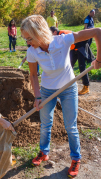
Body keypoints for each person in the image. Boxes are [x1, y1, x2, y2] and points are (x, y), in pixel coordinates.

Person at [20, 15, 101, 178]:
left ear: (39, 33)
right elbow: (34, 75)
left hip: (68, 88)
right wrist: (37, 96)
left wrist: (99, 59)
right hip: (47, 90)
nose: (27, 42)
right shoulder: (32, 51)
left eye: (29, 38)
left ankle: (76, 159)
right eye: (25, 39)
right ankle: (44, 152)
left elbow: (97, 32)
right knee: (45, 124)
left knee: (70, 126)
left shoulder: (63, 41)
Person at [50, 26, 95, 95]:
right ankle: (67, 84)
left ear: (55, 32)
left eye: (51, 34)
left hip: (80, 47)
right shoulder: (58, 35)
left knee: (82, 67)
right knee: (69, 66)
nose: (51, 36)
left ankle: (86, 87)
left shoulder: (62, 34)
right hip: (74, 49)